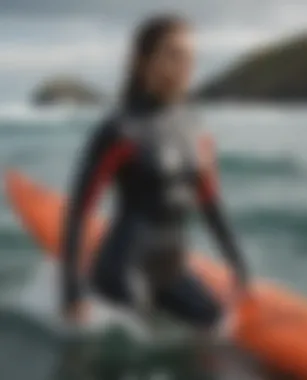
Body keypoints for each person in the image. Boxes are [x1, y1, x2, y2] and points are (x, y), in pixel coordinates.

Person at [61, 14, 250, 373]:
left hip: (172, 269)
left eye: (190, 58)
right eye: (174, 55)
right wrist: (71, 293)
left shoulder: (195, 127)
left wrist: (238, 264)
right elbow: (79, 210)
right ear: (143, 60)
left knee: (217, 331)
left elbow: (210, 202)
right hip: (122, 270)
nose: (185, 67)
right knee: (137, 361)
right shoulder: (120, 128)